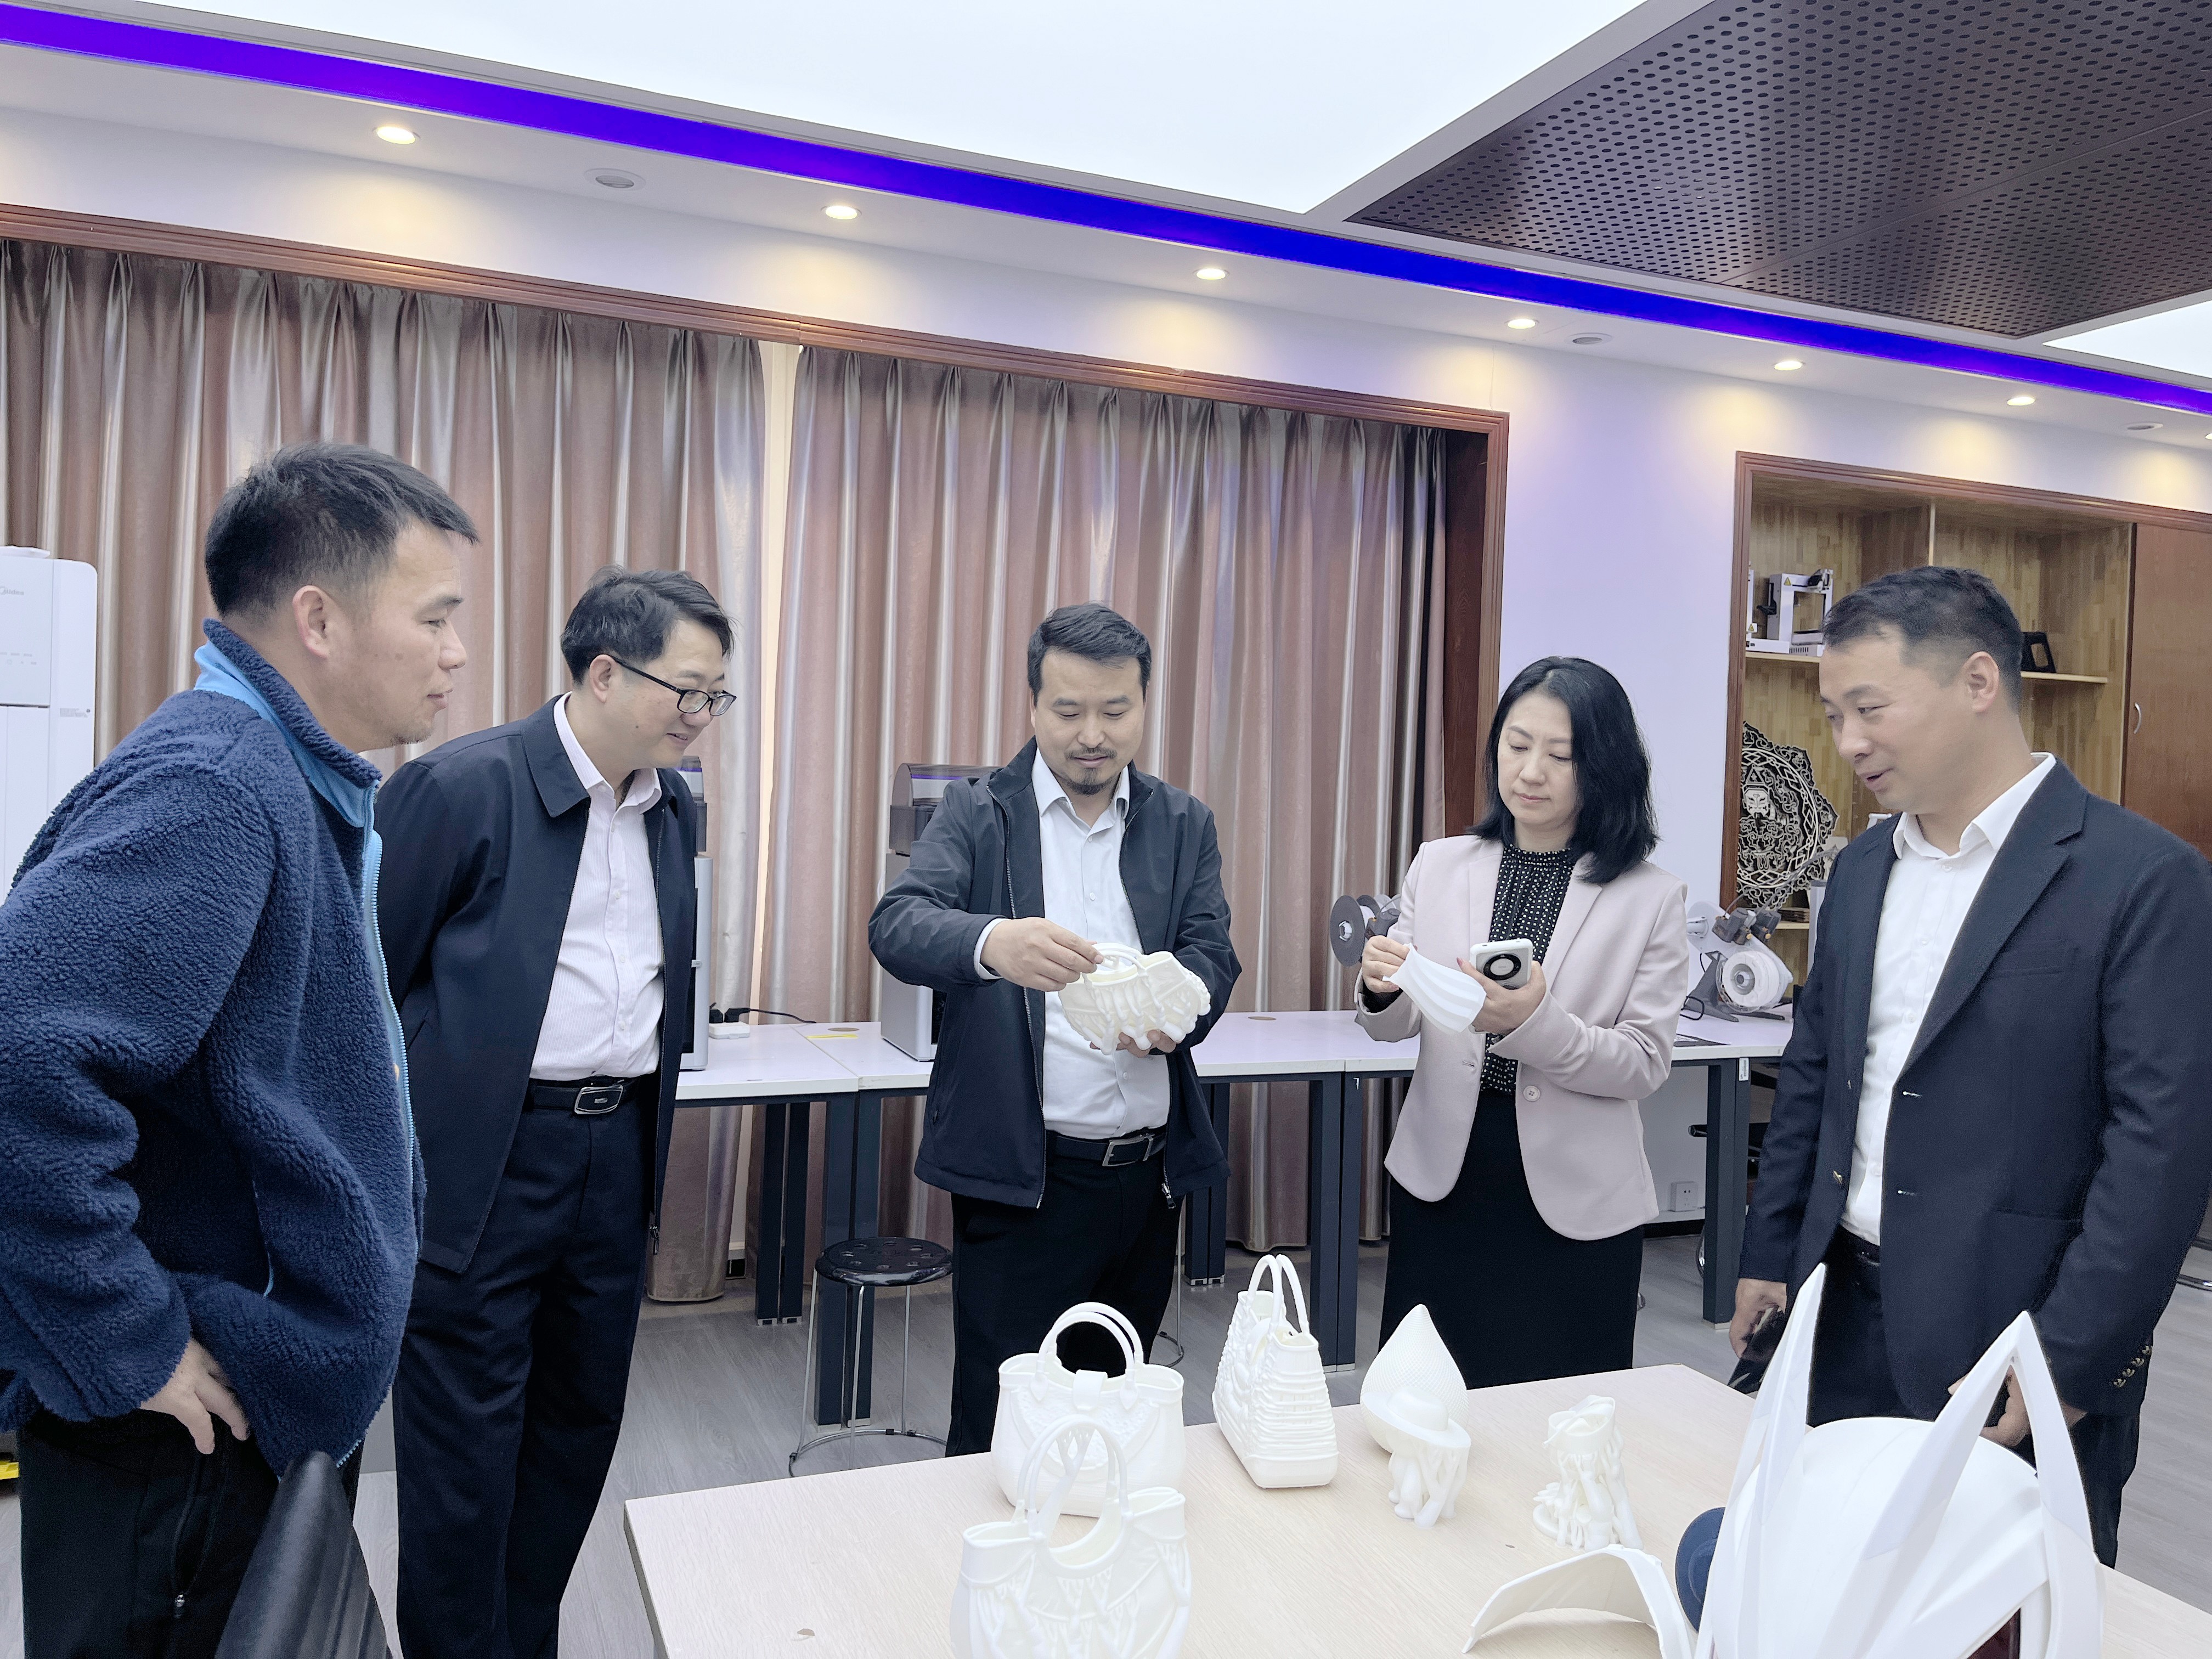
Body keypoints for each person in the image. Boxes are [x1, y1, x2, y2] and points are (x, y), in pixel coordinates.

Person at [0, 442, 473, 1658]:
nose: (457, 653)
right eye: (435, 618)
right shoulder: (216, 786)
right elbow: (18, 1063)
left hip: (244, 1404)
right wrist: (127, 1339)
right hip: (183, 1429)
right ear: (319, 619)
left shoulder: (283, 777)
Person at [1731, 565, 2212, 1567]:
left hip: (2010, 1335)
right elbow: (1816, 1073)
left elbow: (2160, 1153)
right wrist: (1768, 1255)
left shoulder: (2143, 878)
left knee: (2000, 1606)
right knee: (1826, 1581)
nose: (1847, 741)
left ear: (1979, 681)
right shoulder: (1863, 869)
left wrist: (2063, 1361)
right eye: (1834, 714)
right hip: (1836, 1309)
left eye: (1871, 708)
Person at [376, 566, 728, 1658]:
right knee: (464, 1459)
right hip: (485, 1162)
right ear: (604, 674)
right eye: (687, 690)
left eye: (716, 695)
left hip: (616, 1151)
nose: (701, 714)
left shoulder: (672, 806)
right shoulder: (459, 788)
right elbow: (368, 984)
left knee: (577, 1430)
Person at [870, 602, 1240, 1456]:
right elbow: (898, 924)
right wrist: (993, 942)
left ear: (1144, 706)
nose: (1092, 736)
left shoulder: (1182, 821)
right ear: (1033, 706)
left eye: (1115, 711)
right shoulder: (979, 813)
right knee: (1005, 1422)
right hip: (1025, 1178)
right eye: (1069, 711)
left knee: (1116, 1412)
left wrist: (1176, 1008)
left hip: (1146, 1180)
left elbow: (1212, 952)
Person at [1357, 657, 1688, 1386]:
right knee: (1427, 1395)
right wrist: (1382, 989)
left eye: (1561, 755)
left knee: (1559, 1407)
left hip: (1576, 1191)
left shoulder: (1650, 897)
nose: (1531, 771)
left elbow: (1643, 1064)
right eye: (1516, 745)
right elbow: (1396, 1024)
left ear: (1604, 767)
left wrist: (1535, 1022)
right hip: (1446, 1175)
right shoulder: (1441, 865)